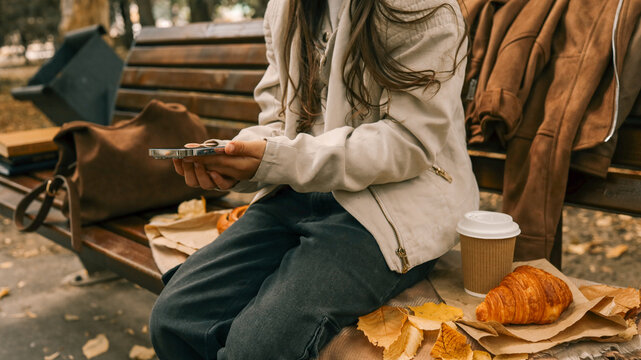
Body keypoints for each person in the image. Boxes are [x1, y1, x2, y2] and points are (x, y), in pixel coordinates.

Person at [149, 0, 479, 358]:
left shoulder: (419, 8)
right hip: (297, 191)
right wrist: (239, 158)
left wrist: (280, 159)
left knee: (256, 348)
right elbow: (280, 118)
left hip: (391, 211)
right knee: (174, 320)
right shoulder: (285, 9)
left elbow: (408, 142)